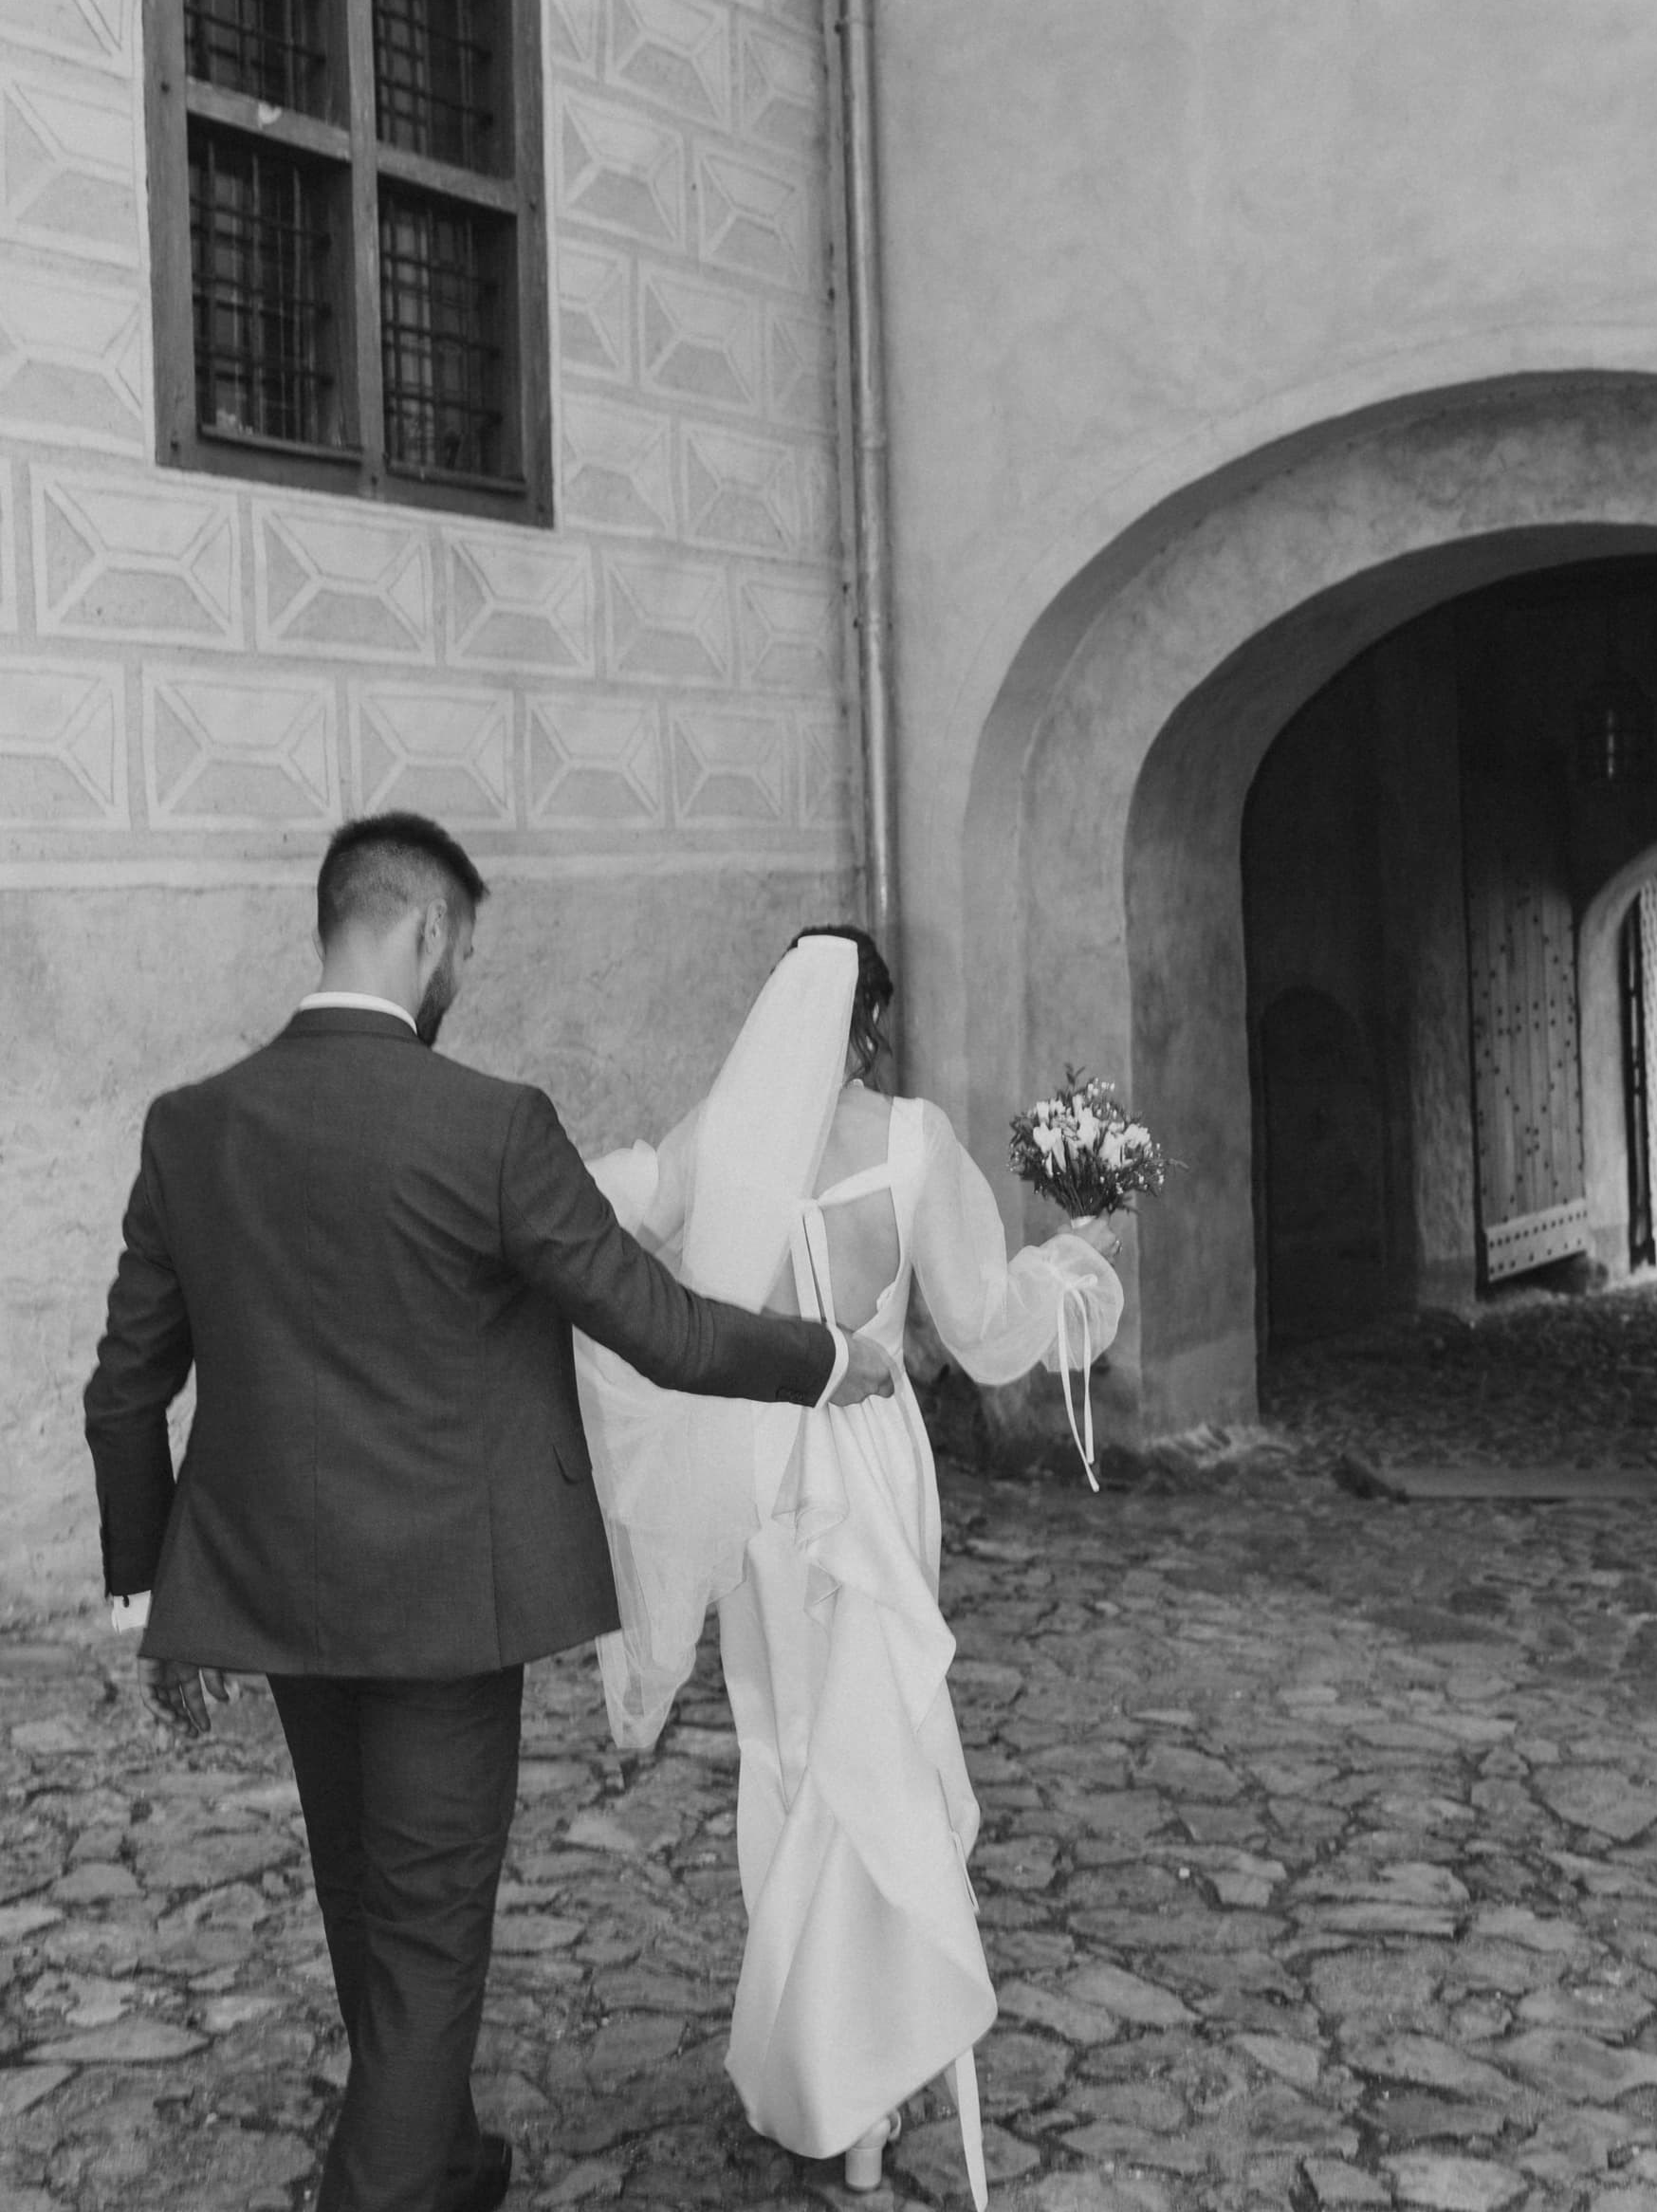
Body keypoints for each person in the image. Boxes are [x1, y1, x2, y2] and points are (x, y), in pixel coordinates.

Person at [82, 815, 892, 2212]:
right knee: (426, 1933)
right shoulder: (492, 1125)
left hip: (278, 1595)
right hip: (448, 1605)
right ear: (426, 932)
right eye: (462, 949)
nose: (459, 975)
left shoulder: (192, 1125)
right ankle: (396, 2181)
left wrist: (148, 1597)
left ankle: (444, 2158)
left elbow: (123, 1390)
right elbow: (661, 1329)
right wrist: (828, 1360)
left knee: (364, 1900)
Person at [576, 925, 1123, 2204]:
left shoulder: (724, 1135)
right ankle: (863, 2096)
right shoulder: (913, 1141)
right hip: (871, 1465)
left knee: (785, 1745)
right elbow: (981, 1325)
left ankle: (811, 2072)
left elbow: (606, 1211)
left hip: (760, 1471)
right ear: (871, 1024)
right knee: (874, 1743)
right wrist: (1078, 1258)